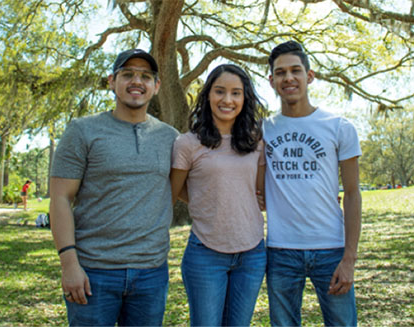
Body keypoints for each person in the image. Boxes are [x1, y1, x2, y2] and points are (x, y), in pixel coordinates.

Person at [49, 49, 179, 326]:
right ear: (111, 81)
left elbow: (195, 188)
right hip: (93, 272)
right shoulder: (82, 130)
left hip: (151, 273)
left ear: (156, 87)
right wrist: (69, 263)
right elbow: (60, 197)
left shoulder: (170, 137)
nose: (137, 81)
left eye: (145, 76)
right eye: (128, 74)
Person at [263, 41, 362, 326]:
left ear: (310, 76)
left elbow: (353, 194)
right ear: (272, 81)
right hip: (280, 251)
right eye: (280, 73)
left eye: (296, 70)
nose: (288, 78)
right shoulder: (263, 130)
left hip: (331, 248)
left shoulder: (339, 127)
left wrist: (349, 259)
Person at [170, 64, 266, 326]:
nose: (227, 100)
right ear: (208, 95)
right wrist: (207, 200)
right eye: (220, 91)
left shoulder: (256, 140)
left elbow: (260, 193)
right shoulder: (187, 143)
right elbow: (174, 190)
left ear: (245, 98)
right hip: (205, 254)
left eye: (236, 93)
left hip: (252, 253)